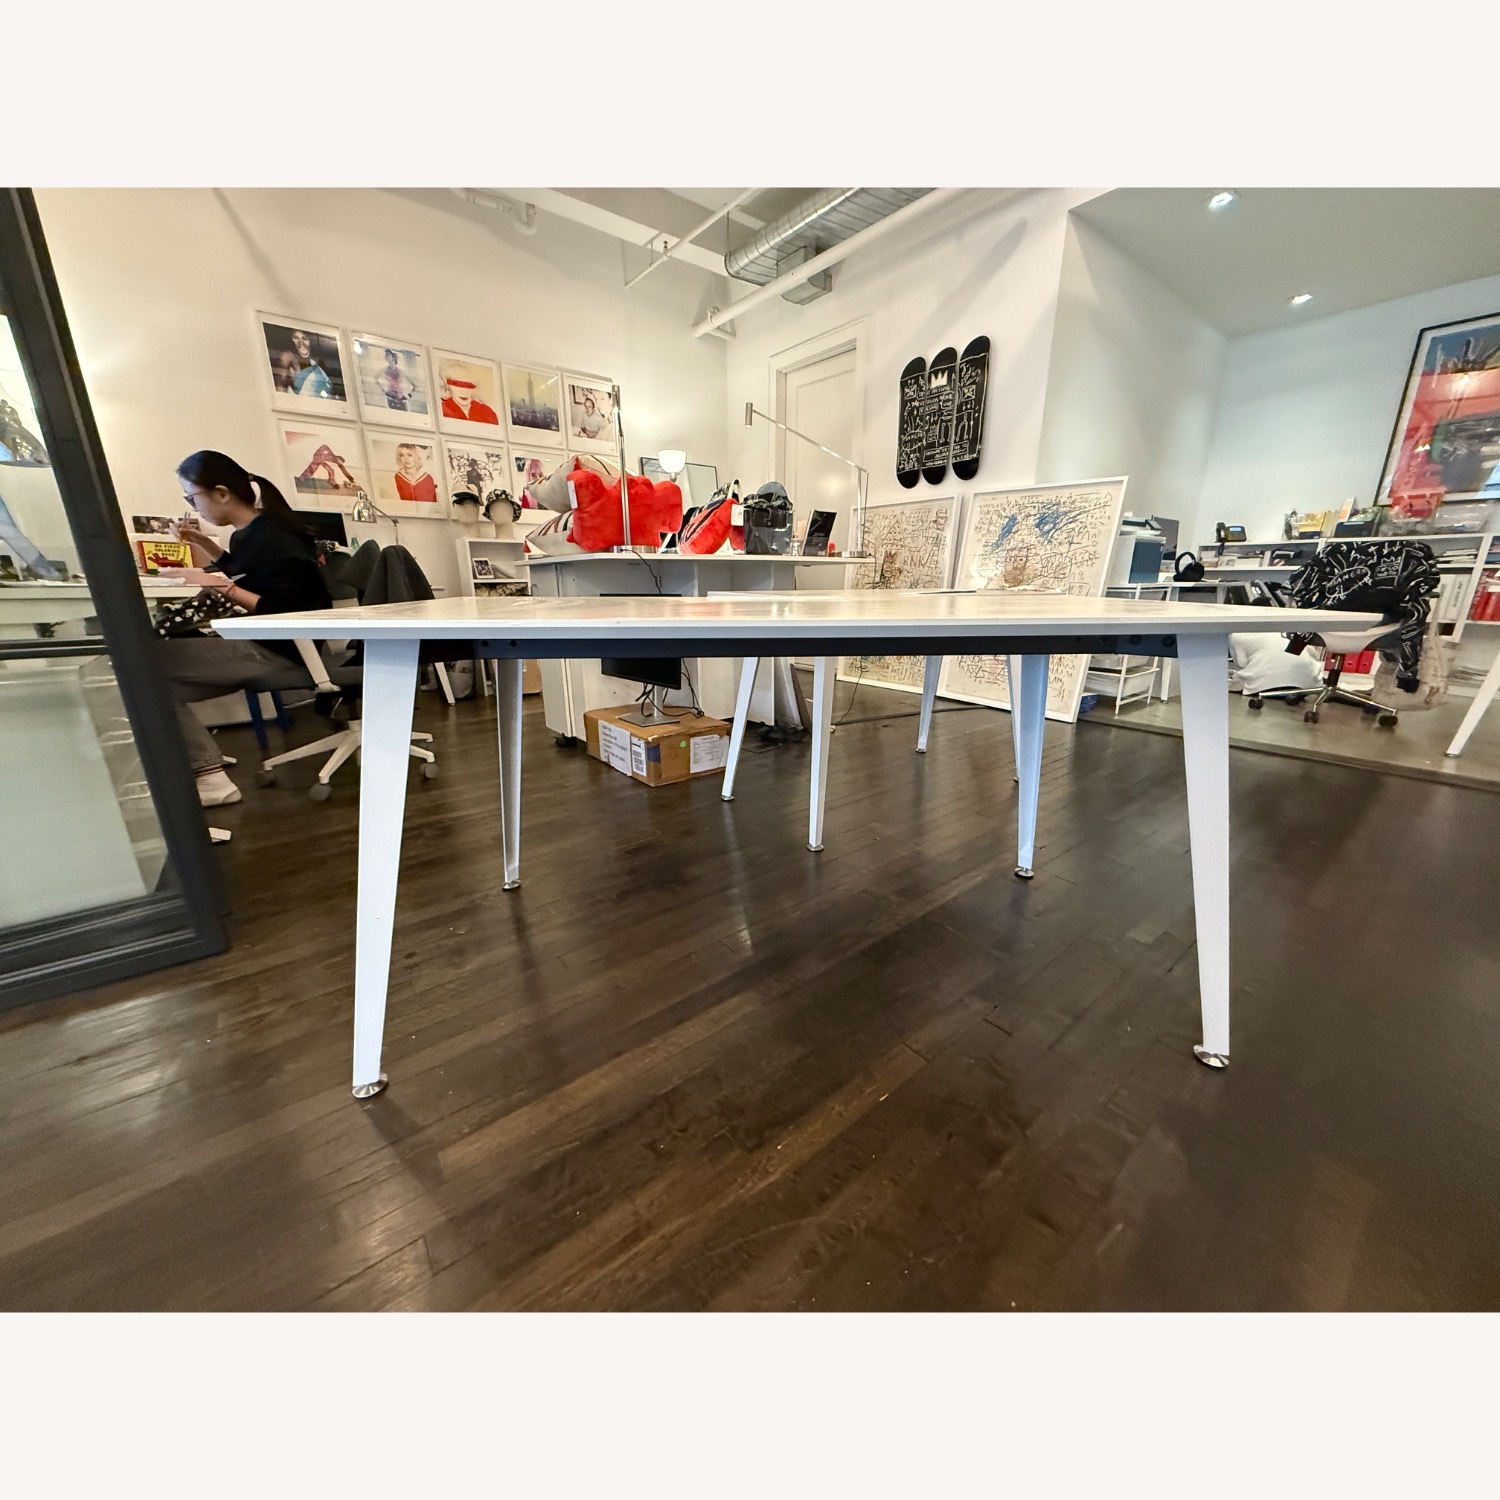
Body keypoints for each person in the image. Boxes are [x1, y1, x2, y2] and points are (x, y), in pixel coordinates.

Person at [161, 451, 331, 807]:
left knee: (142, 667)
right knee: (150, 679)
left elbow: (287, 611)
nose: (194, 506)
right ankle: (205, 770)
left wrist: (216, 583)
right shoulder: (250, 533)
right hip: (269, 644)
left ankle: (207, 773)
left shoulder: (273, 536)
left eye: (193, 497)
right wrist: (204, 544)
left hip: (282, 650)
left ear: (221, 493)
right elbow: (243, 571)